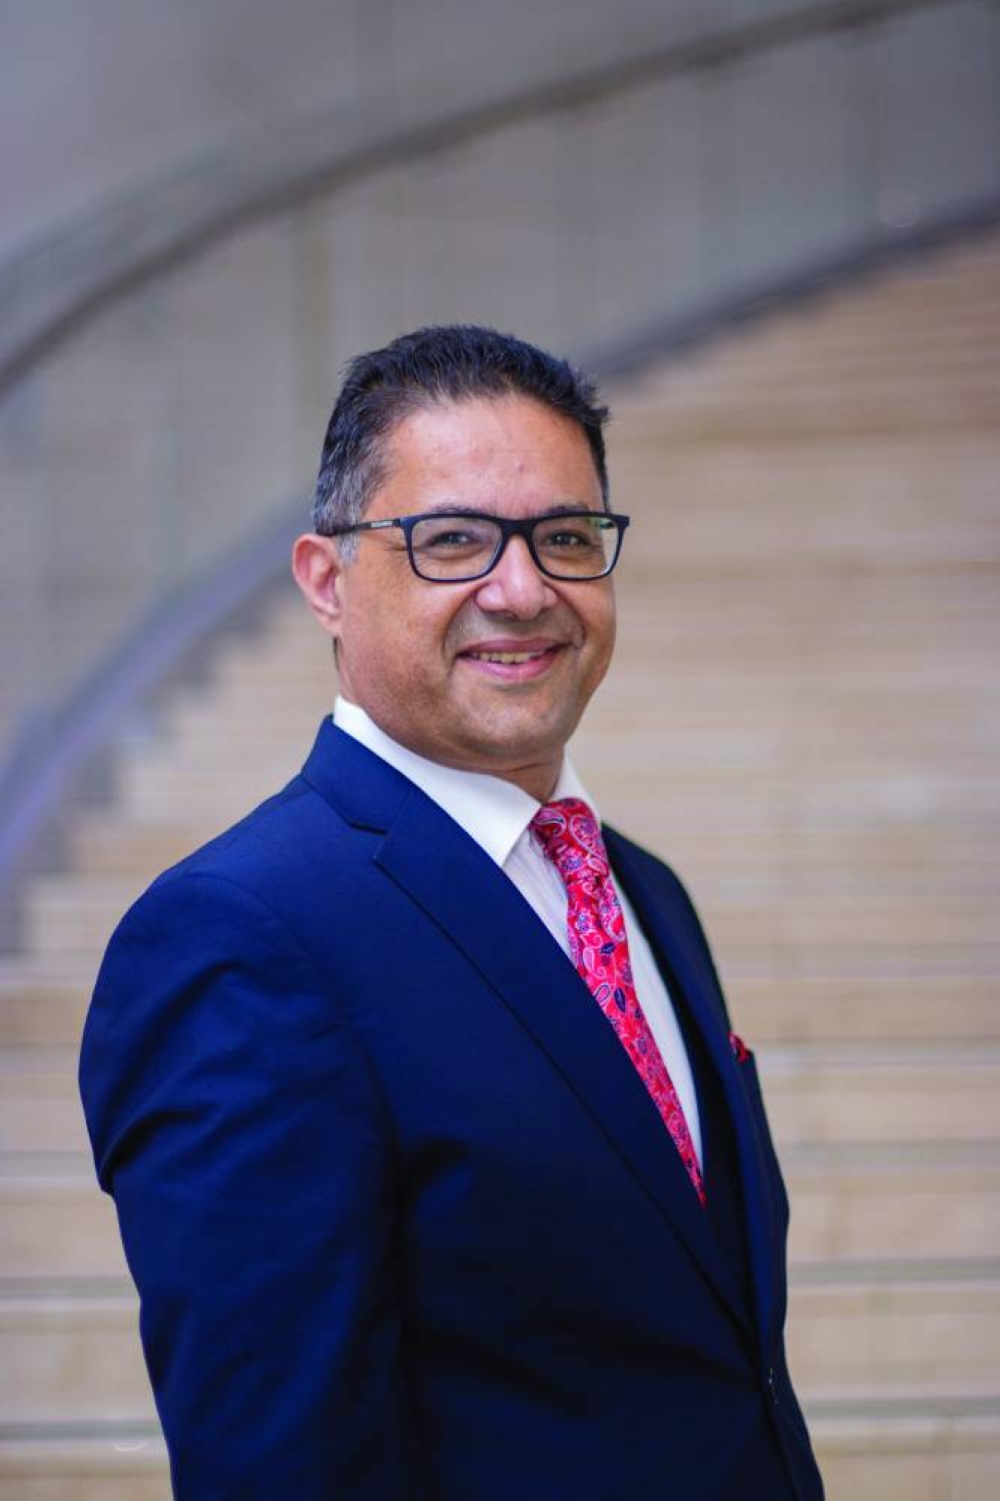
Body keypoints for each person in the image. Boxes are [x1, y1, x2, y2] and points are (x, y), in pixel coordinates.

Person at [80, 324, 824, 1499]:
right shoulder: (240, 937)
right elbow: (280, 1465)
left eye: (564, 537)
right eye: (452, 541)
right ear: (327, 581)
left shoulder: (643, 891)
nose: (521, 591)